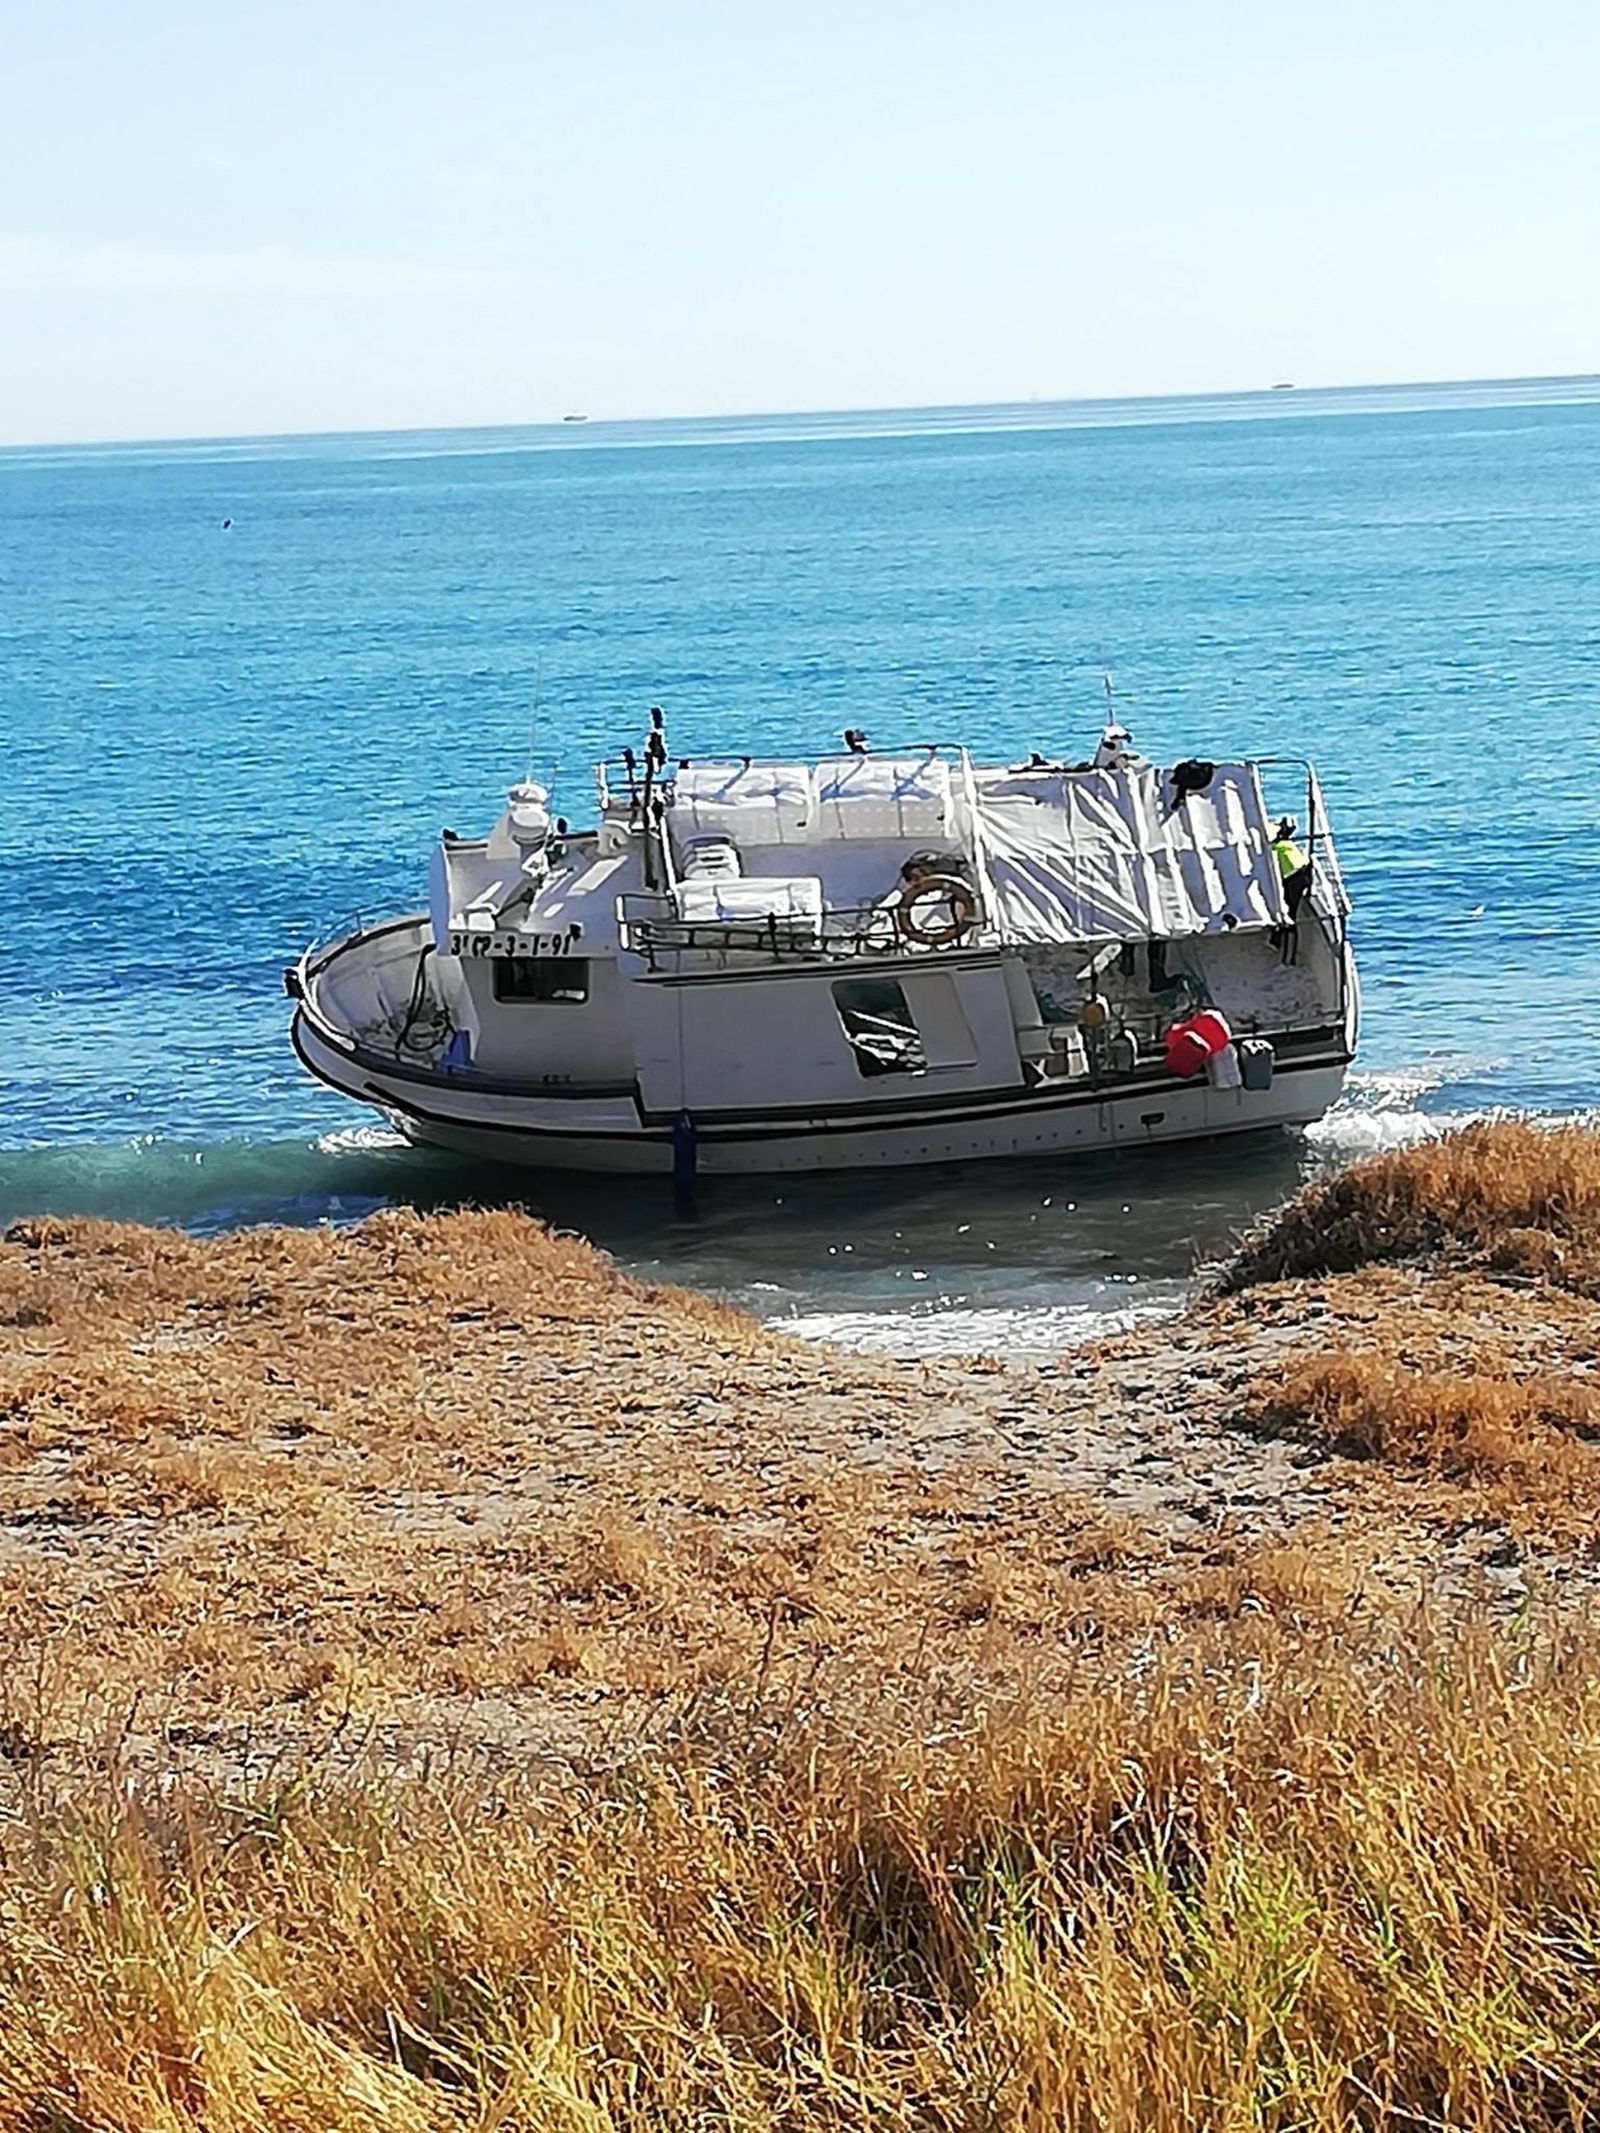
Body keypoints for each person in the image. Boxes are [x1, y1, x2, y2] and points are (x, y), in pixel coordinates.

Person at [1271, 816, 1312, 918]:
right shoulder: (1287, 844)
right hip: (1302, 871)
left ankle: (1290, 927)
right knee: (1293, 903)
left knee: (1291, 906)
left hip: (1293, 877)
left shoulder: (1277, 846)